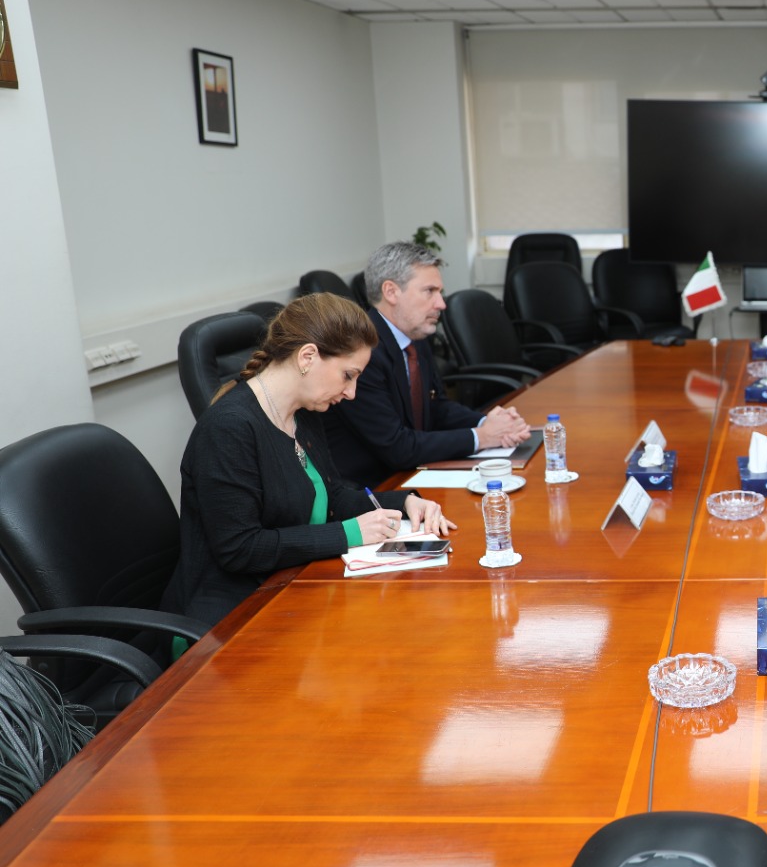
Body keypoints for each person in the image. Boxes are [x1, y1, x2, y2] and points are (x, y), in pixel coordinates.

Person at [161, 295, 455, 629]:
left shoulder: (305, 412)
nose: (352, 393)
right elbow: (240, 549)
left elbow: (331, 496)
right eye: (348, 375)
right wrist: (348, 534)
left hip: (294, 583)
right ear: (308, 357)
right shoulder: (229, 428)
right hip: (233, 616)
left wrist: (402, 502)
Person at [325, 242, 532, 488]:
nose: (441, 304)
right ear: (391, 292)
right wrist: (482, 437)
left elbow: (436, 407)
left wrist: (487, 423)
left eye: (439, 292)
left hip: (414, 474)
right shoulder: (361, 353)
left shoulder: (414, 336)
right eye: (430, 291)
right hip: (374, 488)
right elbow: (398, 447)